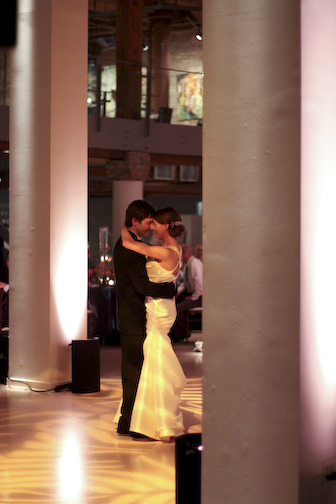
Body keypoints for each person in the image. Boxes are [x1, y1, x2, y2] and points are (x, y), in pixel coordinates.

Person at [119, 207, 187, 441]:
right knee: (154, 357)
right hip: (159, 305)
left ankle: (157, 419)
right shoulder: (171, 250)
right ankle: (150, 415)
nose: (152, 227)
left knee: (156, 356)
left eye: (155, 224)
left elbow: (130, 245)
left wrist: (124, 228)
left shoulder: (166, 252)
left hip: (159, 309)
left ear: (166, 226)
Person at [173, 244, 203, 341]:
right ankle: (174, 333)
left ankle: (181, 335)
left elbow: (199, 282)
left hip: (199, 297)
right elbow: (185, 284)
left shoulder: (195, 264)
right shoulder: (187, 265)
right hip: (191, 293)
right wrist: (176, 293)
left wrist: (194, 297)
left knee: (179, 308)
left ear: (184, 253)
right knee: (173, 303)